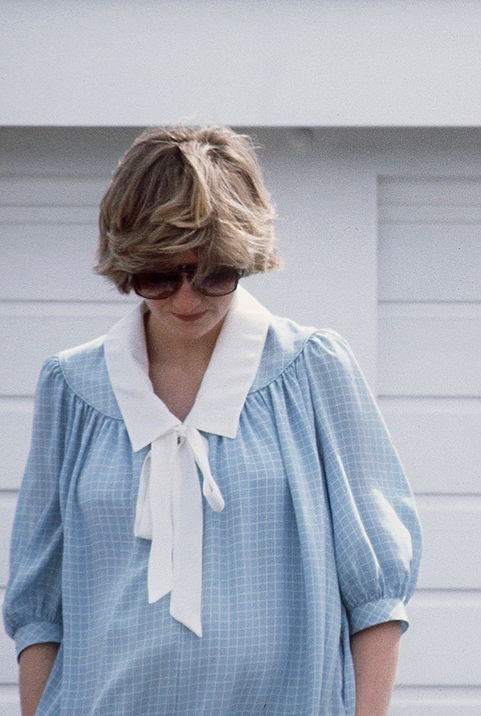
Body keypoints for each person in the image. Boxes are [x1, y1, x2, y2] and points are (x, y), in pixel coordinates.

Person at [3, 126, 422, 715]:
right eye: (158, 275)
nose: (186, 300)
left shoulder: (311, 369)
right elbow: (39, 608)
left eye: (213, 274)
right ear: (128, 263)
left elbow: (376, 595)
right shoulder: (72, 387)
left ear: (244, 258)